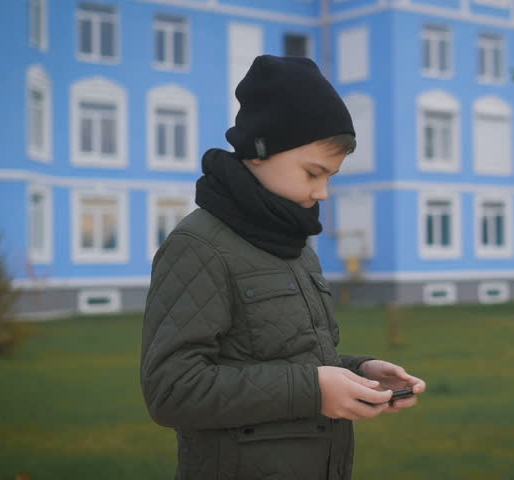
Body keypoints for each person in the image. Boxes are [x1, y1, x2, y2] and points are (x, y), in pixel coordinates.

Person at [139, 55, 427, 480]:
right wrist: (314, 391)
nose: (324, 193)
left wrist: (358, 374)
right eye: (314, 173)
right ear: (260, 150)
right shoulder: (197, 246)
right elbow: (172, 389)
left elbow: (280, 357)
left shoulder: (292, 244)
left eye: (331, 177)